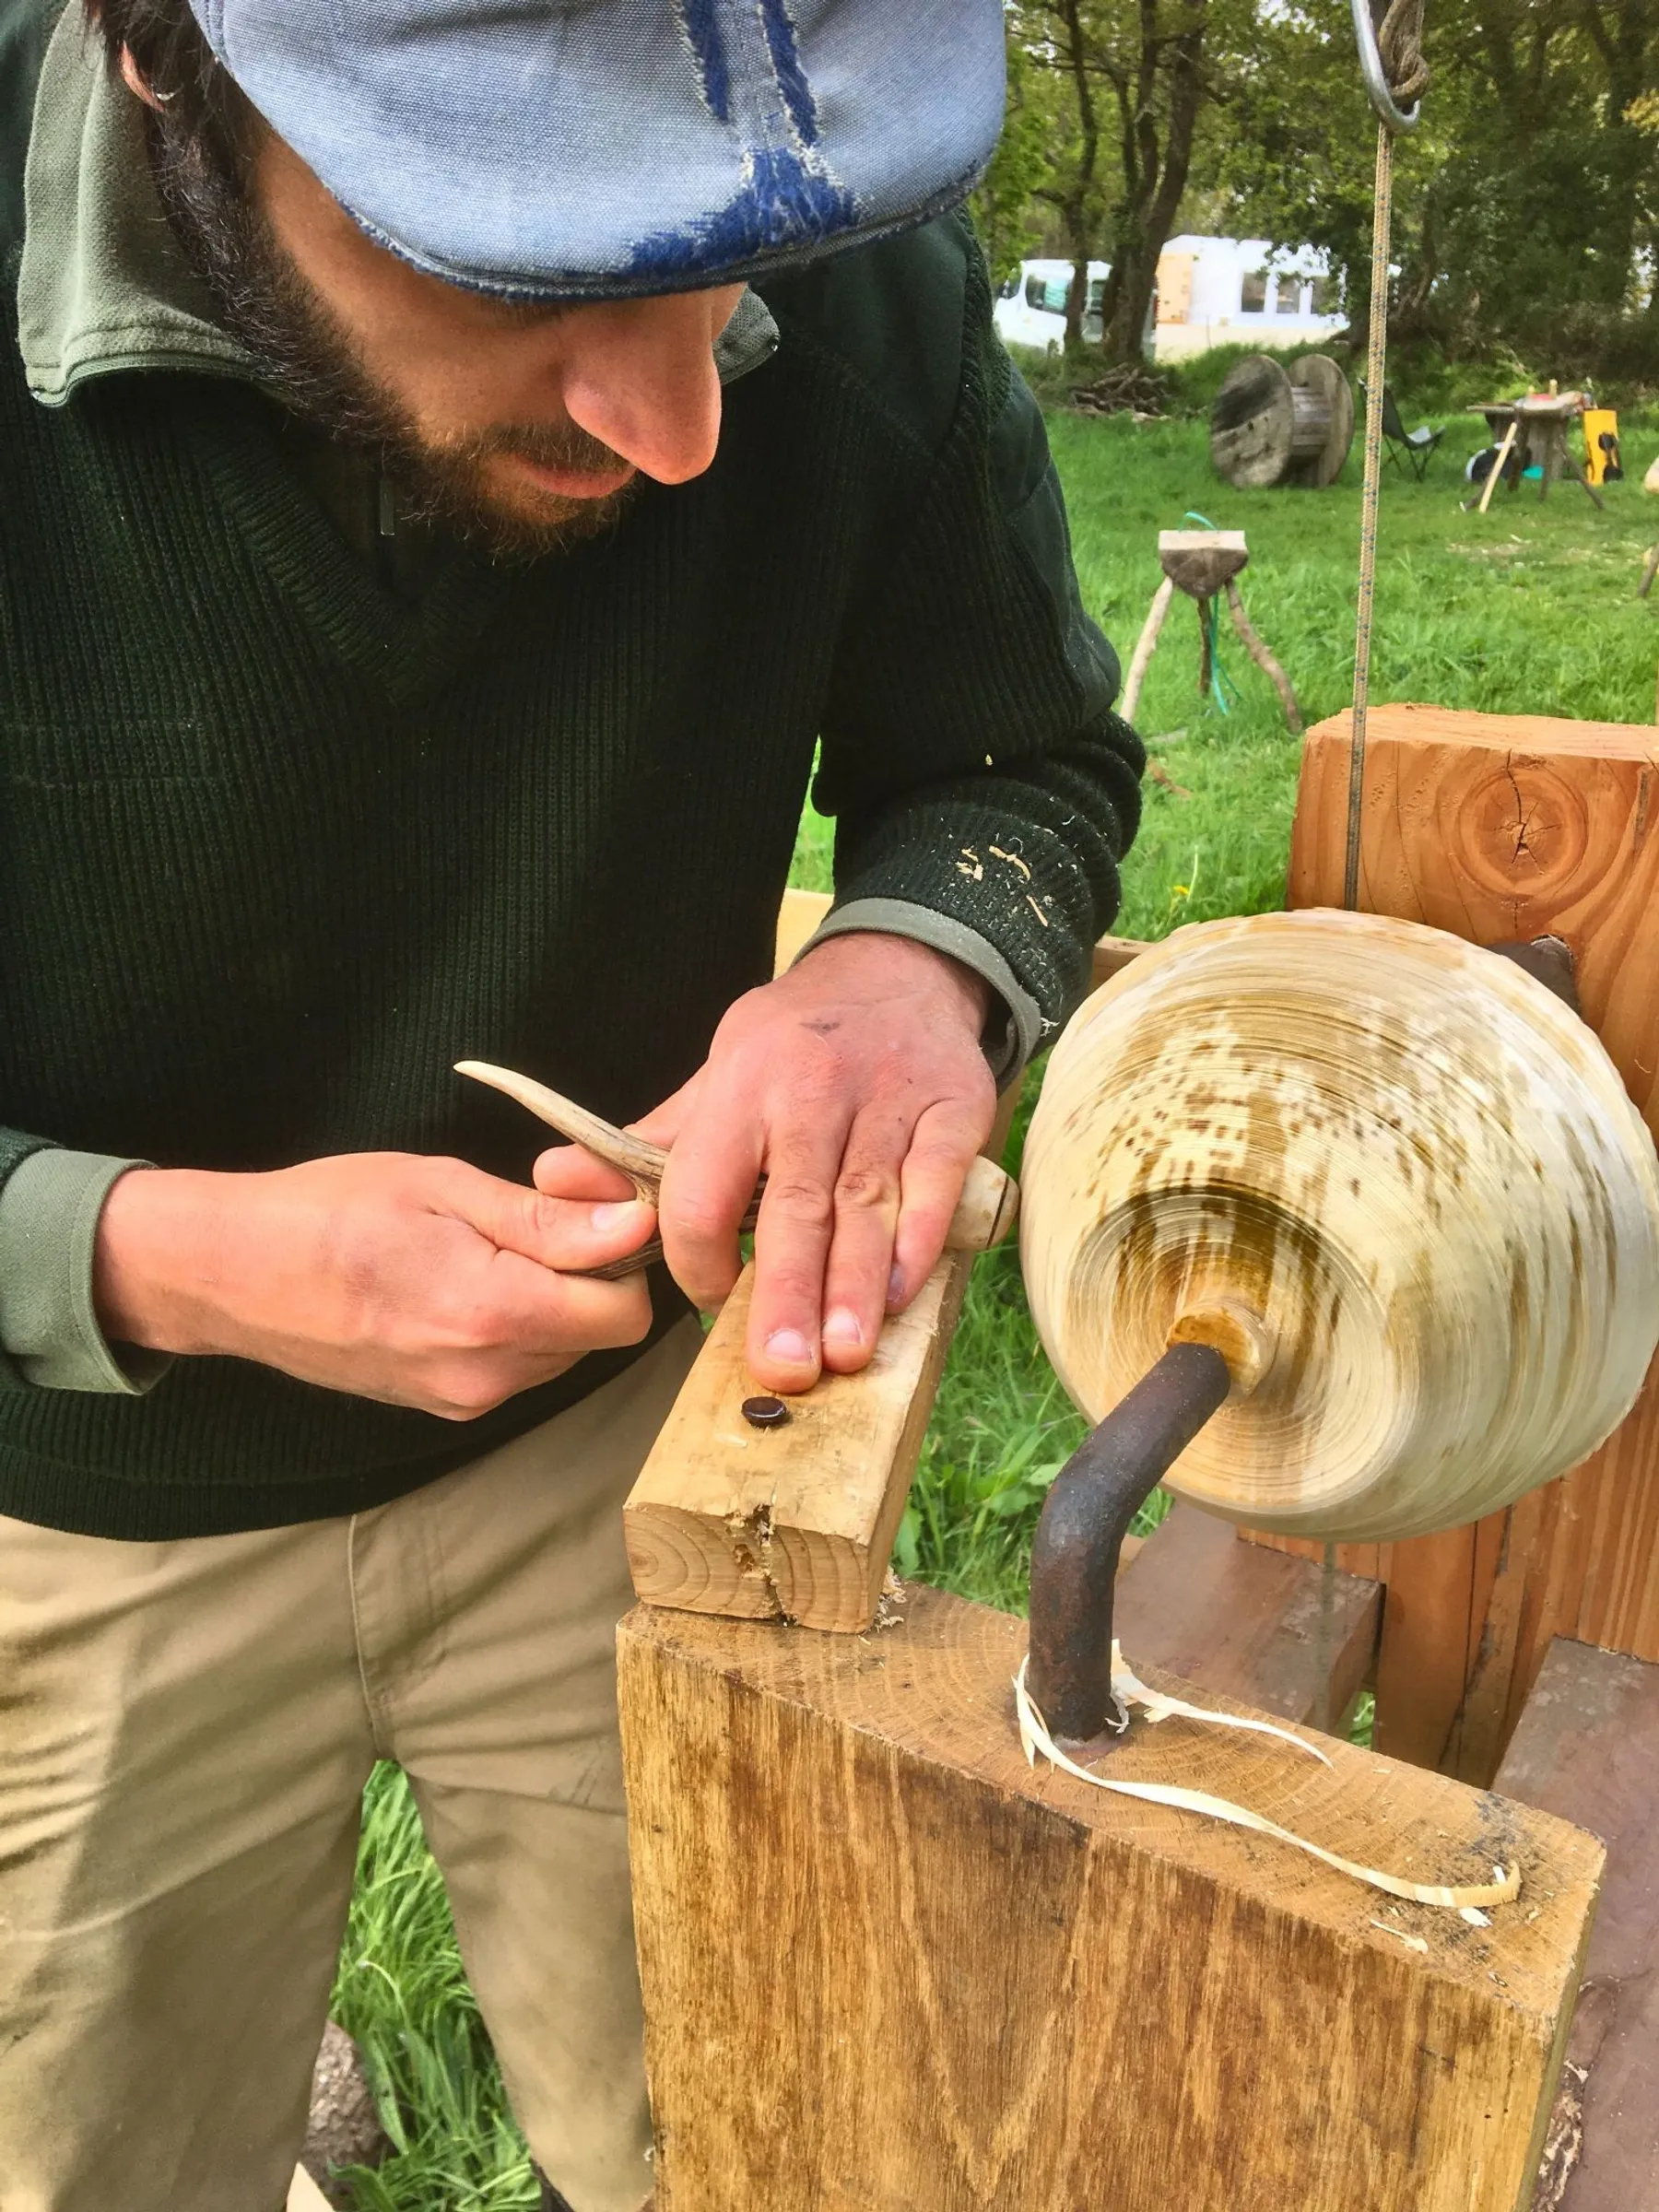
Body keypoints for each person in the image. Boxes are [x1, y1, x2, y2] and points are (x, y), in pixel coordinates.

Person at [0, 0, 1144, 2205]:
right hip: (65, 1504)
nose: (681, 415)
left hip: (641, 1451)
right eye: (529, 257)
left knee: (760, 2136)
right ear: (170, 60)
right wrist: (146, 1253)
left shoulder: (815, 202)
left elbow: (1017, 754)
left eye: (726, 276)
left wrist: (907, 977)